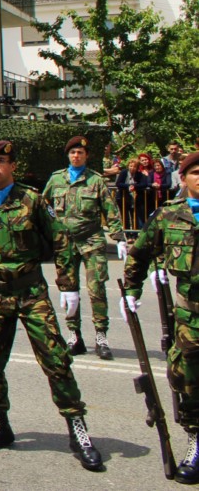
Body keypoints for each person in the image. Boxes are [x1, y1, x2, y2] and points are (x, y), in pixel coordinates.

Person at [0, 140, 102, 471]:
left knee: (56, 359)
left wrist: (68, 286)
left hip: (30, 292)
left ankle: (78, 430)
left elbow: (61, 242)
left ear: (12, 167)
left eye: (2, 161)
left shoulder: (32, 200)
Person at [123, 150, 199, 481]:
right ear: (182, 179)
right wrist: (131, 289)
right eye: (195, 172)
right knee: (188, 380)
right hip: (189, 316)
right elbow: (139, 252)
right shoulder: (169, 216)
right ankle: (197, 441)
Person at [41, 135, 126, 360]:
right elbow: (43, 205)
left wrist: (120, 238)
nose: (76, 156)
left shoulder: (95, 181)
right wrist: (52, 226)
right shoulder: (57, 179)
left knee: (96, 288)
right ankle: (74, 335)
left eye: (80, 153)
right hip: (65, 244)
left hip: (91, 241)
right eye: (73, 152)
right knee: (69, 290)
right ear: (68, 155)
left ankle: (101, 336)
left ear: (86, 156)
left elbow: (110, 209)